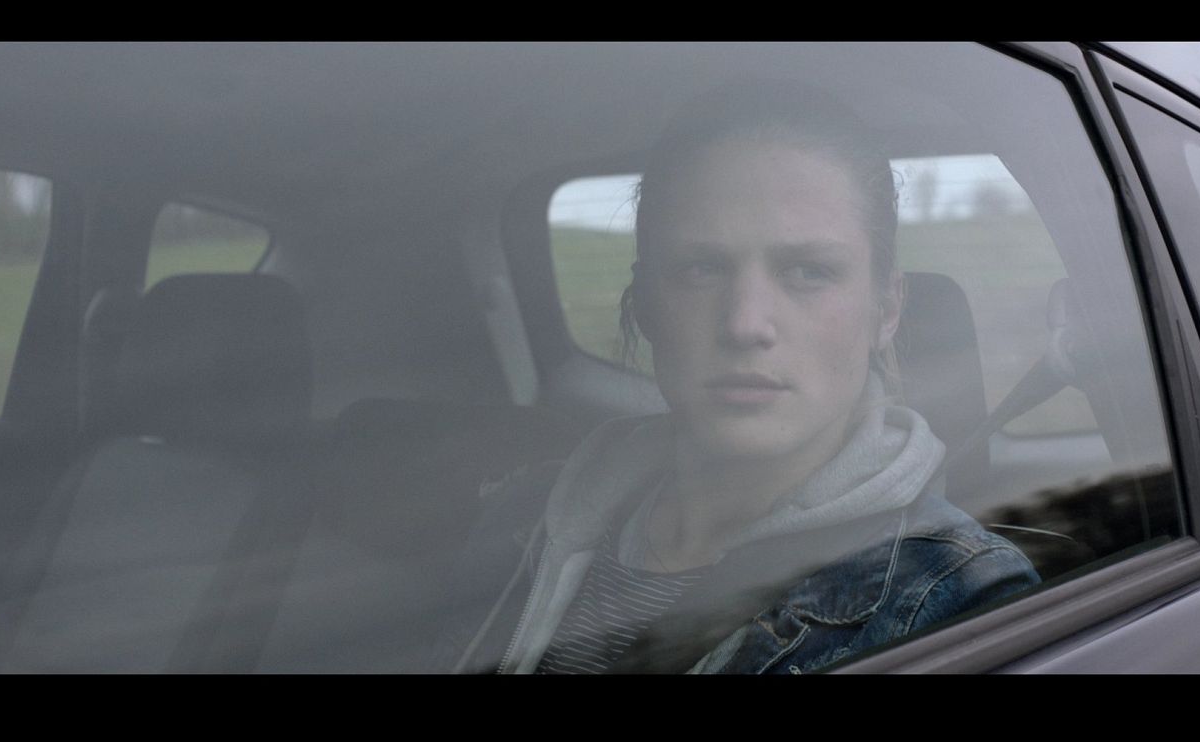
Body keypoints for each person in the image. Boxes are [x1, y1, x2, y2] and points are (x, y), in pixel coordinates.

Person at [440, 82, 1039, 674]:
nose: (745, 324)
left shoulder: (964, 601)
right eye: (701, 268)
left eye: (809, 271)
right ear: (644, 302)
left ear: (885, 310)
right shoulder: (525, 519)